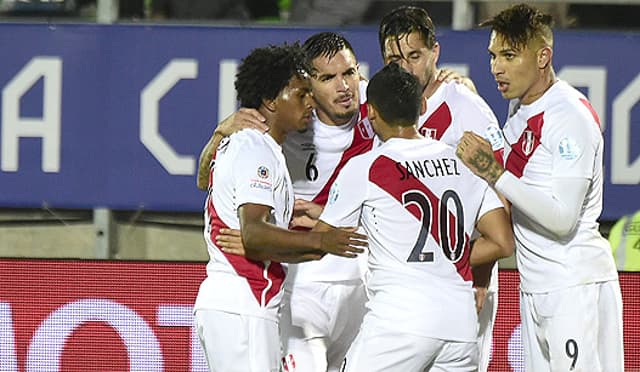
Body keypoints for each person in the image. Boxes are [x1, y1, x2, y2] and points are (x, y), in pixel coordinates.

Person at [455, 4, 624, 371]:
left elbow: (563, 218)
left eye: (509, 55)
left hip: (573, 286)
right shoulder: (520, 107)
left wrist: (493, 171)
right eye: (493, 55)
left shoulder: (569, 117)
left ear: (543, 56)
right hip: (537, 286)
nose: (496, 67)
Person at [314, 63, 514, 372]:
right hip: (460, 329)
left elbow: (321, 239)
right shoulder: (462, 162)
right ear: (421, 106)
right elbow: (502, 242)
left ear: (371, 113)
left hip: (399, 324)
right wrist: (448, 259)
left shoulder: (367, 166)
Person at [192, 43, 367, 372]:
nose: (310, 102)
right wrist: (319, 241)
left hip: (250, 301)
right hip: (244, 300)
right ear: (271, 101)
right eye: (301, 94)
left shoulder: (264, 147)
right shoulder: (253, 147)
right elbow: (254, 232)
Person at [378, 6, 506, 371]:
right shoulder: (379, 107)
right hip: (401, 282)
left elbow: (496, 200)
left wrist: (479, 278)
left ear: (435, 52)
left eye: (415, 56)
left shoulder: (468, 109)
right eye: (394, 59)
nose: (405, 68)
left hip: (460, 279)